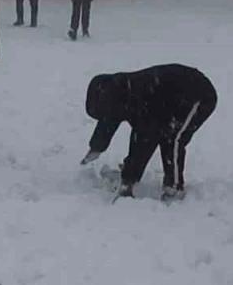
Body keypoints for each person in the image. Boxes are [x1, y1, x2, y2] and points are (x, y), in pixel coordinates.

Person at [79, 64, 217, 202]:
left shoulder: (139, 98)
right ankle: (151, 178)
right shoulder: (117, 94)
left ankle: (174, 187)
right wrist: (95, 148)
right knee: (159, 133)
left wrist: (128, 180)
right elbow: (108, 123)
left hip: (198, 94)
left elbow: (144, 140)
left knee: (172, 138)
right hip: (170, 98)